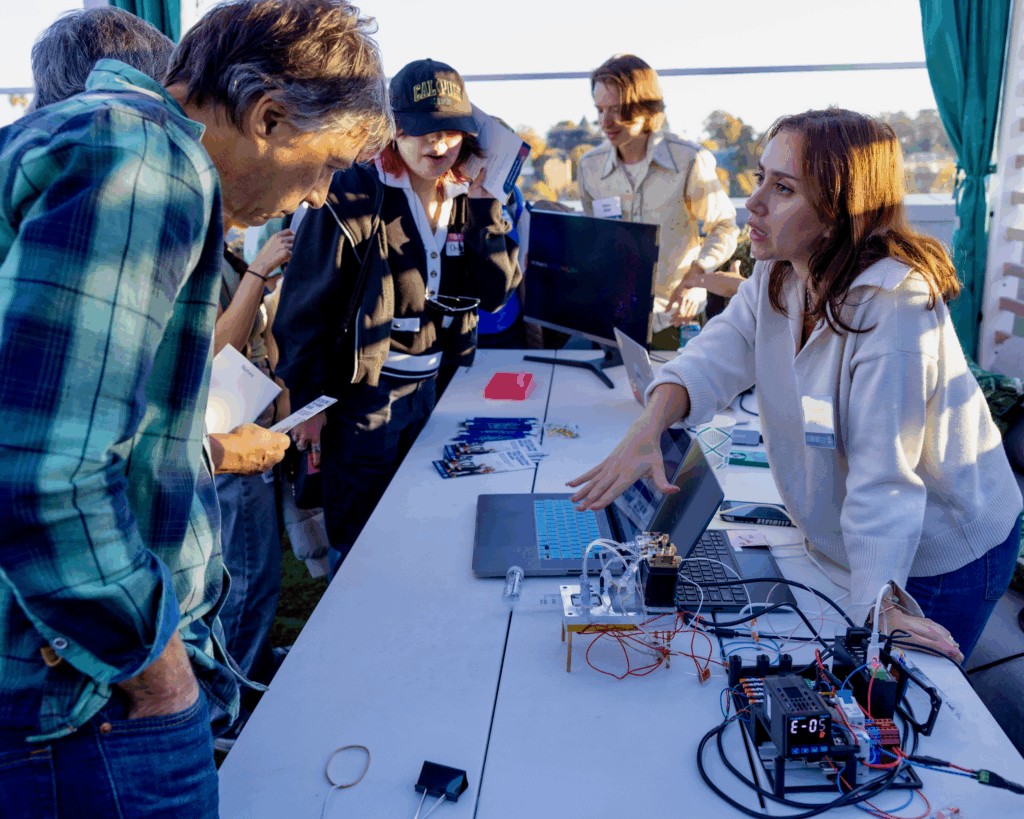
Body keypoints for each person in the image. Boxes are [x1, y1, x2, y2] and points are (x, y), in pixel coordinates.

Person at [0, 2, 391, 817]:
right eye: (328, 164)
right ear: (268, 115)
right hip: (86, 704)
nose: (320, 196)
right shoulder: (143, 163)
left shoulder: (94, 135)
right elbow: (44, 473)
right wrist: (159, 669)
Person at [568, 108, 1022, 662]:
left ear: (837, 211)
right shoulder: (781, 268)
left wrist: (882, 606)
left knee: (899, 706)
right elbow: (723, 347)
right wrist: (650, 422)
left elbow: (885, 480)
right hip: (843, 542)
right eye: (760, 177)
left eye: (782, 188)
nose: (753, 203)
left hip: (932, 556)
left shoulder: (894, 306)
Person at [275, 58, 521, 572]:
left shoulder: (468, 195)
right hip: (366, 395)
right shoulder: (352, 191)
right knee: (362, 535)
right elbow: (304, 309)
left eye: (451, 130)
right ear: (394, 129)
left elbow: (496, 292)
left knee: (426, 519)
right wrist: (309, 408)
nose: (438, 145)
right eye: (421, 130)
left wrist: (483, 206)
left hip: (437, 386)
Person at [577, 54, 738, 347]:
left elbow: (725, 226)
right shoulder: (589, 166)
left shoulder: (689, 159)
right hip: (612, 320)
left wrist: (696, 276)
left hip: (676, 319)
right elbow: (594, 240)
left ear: (646, 107)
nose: (605, 122)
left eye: (617, 110)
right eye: (600, 110)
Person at [212, 227, 295, 749]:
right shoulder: (205, 255)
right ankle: (227, 710)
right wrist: (259, 271)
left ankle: (255, 662)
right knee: (245, 575)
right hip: (227, 432)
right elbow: (218, 347)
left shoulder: (219, 250)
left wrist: (281, 385)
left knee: (260, 569)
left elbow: (259, 333)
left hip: (250, 418)